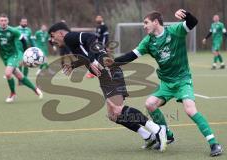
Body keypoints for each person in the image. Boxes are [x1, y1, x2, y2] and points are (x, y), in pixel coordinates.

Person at [103, 9, 223, 157]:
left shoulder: (174, 31)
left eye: (146, 22)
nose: (144, 26)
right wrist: (113, 63)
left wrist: (186, 14)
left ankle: (214, 143)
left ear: (155, 22)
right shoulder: (148, 41)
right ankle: (167, 134)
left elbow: (193, 22)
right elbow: (132, 55)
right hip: (166, 83)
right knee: (150, 104)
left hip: (182, 80)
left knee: (190, 110)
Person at [48, 22, 168, 152]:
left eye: (53, 36)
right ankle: (148, 136)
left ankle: (157, 129)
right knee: (113, 115)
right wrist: (74, 65)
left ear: (60, 33)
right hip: (106, 73)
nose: (52, 40)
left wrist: (92, 59)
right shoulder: (71, 42)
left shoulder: (69, 37)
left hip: (108, 71)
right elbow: (85, 56)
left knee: (117, 109)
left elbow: (91, 38)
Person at [0, 13, 43, 103]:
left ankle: (13, 94)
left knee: (8, 74)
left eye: (5, 20)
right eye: (1, 20)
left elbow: (23, 41)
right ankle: (35, 89)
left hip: (14, 55)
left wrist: (25, 53)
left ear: (8, 21)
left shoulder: (13, 31)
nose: (3, 22)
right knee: (19, 76)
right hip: (4, 56)